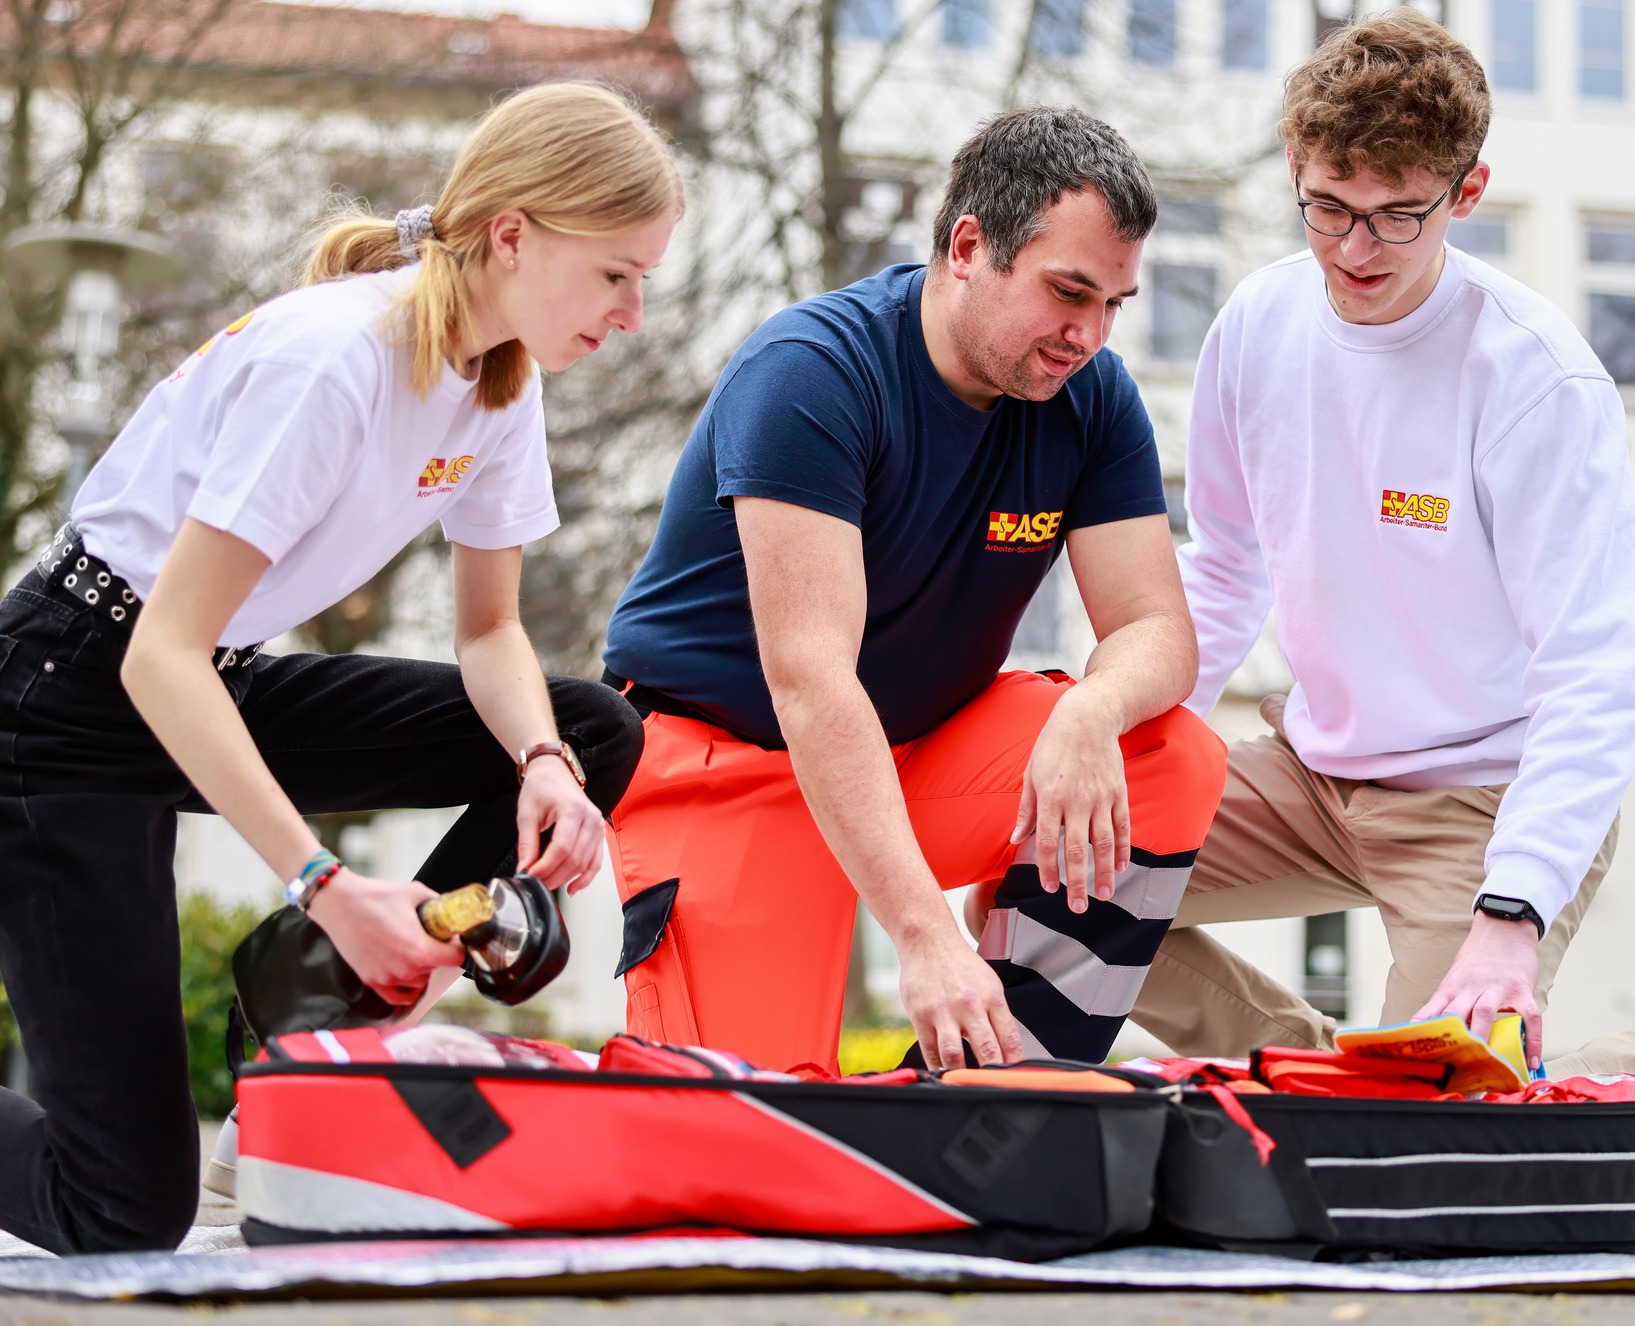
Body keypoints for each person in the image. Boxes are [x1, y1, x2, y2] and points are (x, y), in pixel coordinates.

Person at [0, 82, 682, 1254]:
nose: (631, 314)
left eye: (644, 283)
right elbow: (157, 657)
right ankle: (337, 939)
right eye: (616, 274)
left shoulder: (499, 380)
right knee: (118, 1211)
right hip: (65, 705)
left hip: (212, 675)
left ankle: (307, 1001)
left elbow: (488, 635)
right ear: (513, 234)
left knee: (592, 729)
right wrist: (324, 880)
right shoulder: (332, 363)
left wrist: (543, 765)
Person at [1123, 13, 1635, 1186]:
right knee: (1041, 894)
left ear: (1466, 194)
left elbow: (1593, 670)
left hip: (1482, 797)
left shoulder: (1533, 381)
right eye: (1325, 205)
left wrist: (1511, 917)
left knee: (1425, 1159)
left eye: (1395, 214)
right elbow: (1222, 562)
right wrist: (1141, 754)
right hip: (1310, 773)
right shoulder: (1256, 325)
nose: (1354, 248)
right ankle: (1329, 1087)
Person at [602, 107, 1227, 1078]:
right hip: (729, 766)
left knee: (1165, 753)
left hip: (914, 759)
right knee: (744, 1133)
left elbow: (1156, 630)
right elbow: (811, 683)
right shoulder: (810, 375)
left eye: (1114, 303)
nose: (1088, 336)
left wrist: (1090, 711)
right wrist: (925, 935)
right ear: (969, 246)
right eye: (1068, 292)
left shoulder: (1090, 398)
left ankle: (993, 1078)